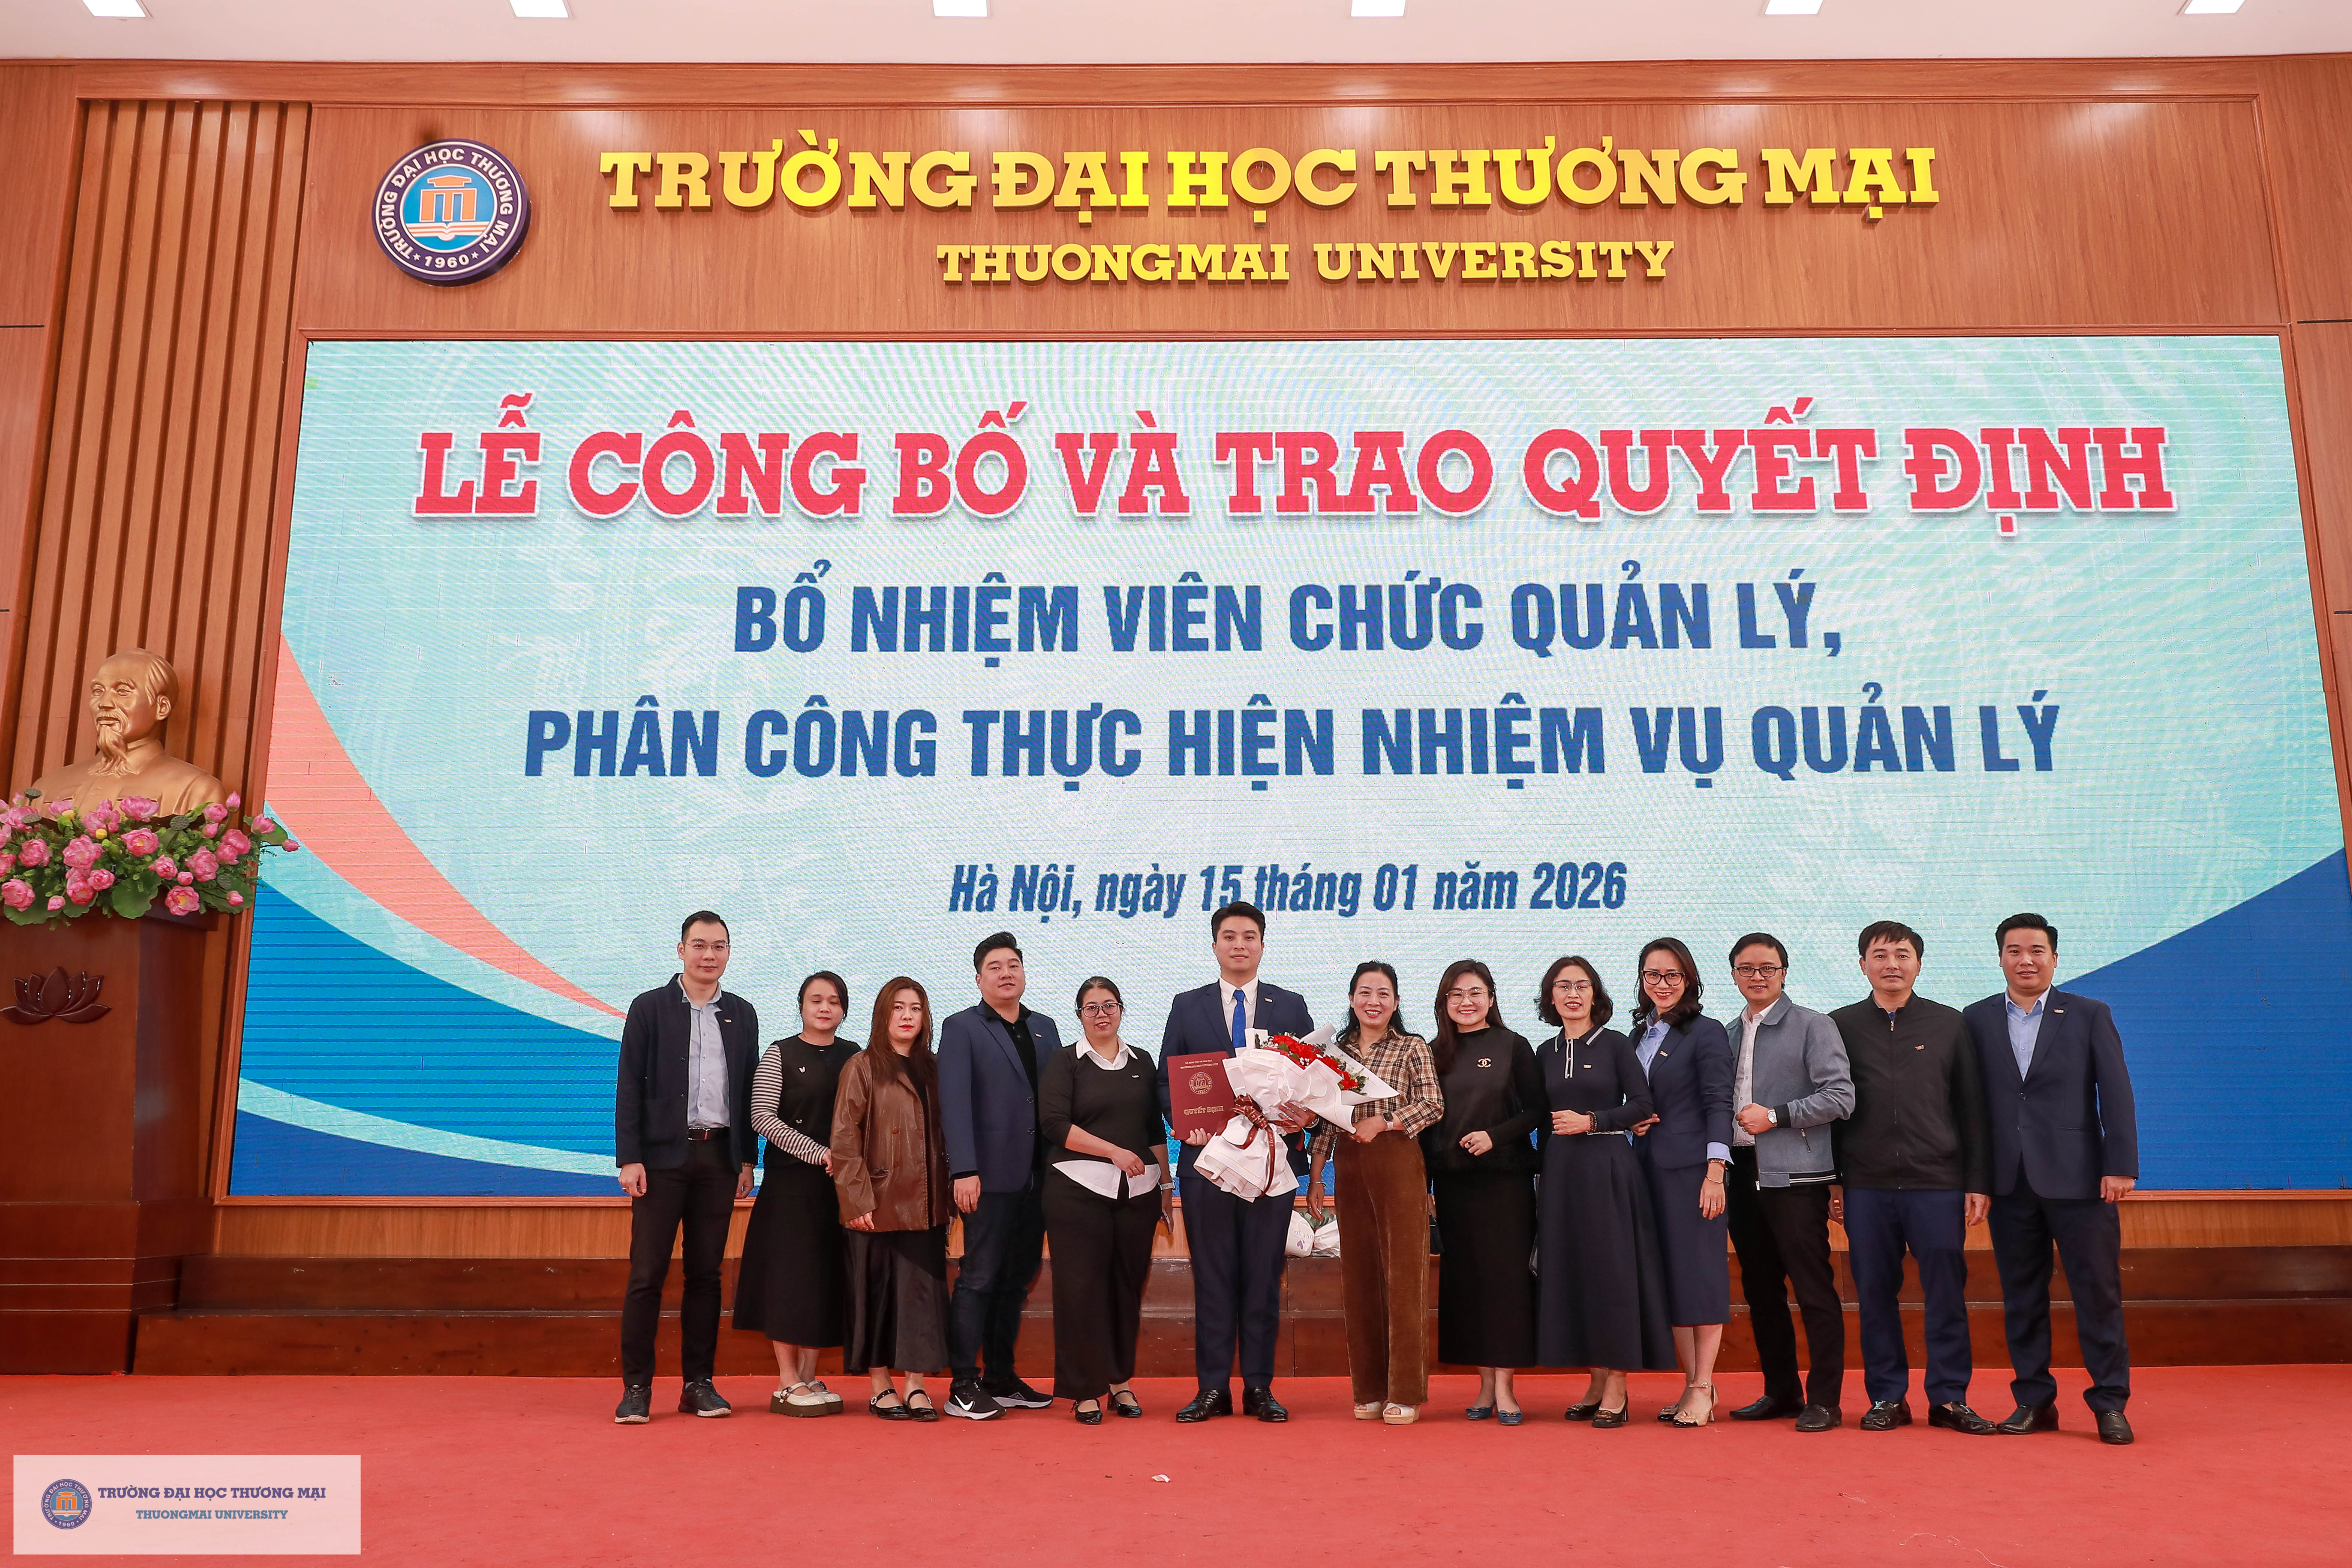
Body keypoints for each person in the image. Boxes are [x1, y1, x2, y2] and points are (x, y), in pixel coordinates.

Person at [1960, 914, 2140, 1446]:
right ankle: (2034, 1400)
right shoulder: (1975, 1018)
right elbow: (1971, 1107)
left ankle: (2110, 1401)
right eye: (2014, 951)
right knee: (2022, 1297)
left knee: (2097, 1293)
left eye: (2036, 950)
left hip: (2081, 1180)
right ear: (2000, 958)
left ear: (2054, 958)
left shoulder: (2088, 1013)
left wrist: (2120, 1163)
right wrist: (1976, 1177)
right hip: (2009, 1181)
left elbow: (2116, 1090)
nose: (2026, 960)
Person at [1830, 921, 1998, 1436]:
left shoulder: (1949, 1024)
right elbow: (1831, 1110)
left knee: (1946, 1293)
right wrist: (1833, 1182)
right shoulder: (1838, 1025)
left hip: (1937, 1182)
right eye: (1880, 955)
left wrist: (1977, 1179)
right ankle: (1887, 1396)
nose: (1892, 964)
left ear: (1918, 964)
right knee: (1874, 1294)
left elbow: (1972, 1108)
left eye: (1902, 954)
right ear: (1862, 964)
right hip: (1865, 1184)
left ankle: (1949, 1397)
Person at [1156, 900, 1317, 1424]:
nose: (1239, 944)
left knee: (1263, 1276)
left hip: (1271, 1165)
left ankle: (1259, 1387)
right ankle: (1212, 1388)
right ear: (1215, 945)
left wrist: (1303, 1116)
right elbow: (1167, 1081)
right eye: (1229, 936)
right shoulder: (1187, 1006)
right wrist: (1184, 1123)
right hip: (1208, 1164)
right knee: (1213, 1277)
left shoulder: (1289, 1006)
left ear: (1262, 944)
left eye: (1249, 936)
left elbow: (1314, 1079)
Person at [613, 911, 759, 1424]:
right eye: (699, 945)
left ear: (728, 952)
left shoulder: (741, 1013)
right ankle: (636, 1388)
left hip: (718, 1158)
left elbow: (747, 1089)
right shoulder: (649, 1007)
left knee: (706, 1275)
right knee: (646, 1274)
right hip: (659, 1160)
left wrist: (747, 1159)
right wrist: (629, 1156)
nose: (709, 955)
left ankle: (698, 1384)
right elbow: (629, 1083)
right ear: (681, 950)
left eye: (719, 946)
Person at [1532, 955, 1675, 1425]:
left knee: (1612, 1277)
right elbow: (1536, 1117)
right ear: (1550, 997)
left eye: (1582, 985)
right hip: (1560, 1175)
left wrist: (1592, 1120)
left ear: (1595, 994)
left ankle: (1617, 1386)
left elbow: (1642, 1104)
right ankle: (1595, 1381)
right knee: (1574, 1274)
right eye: (1563, 986)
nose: (1572, 994)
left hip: (1608, 1168)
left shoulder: (1615, 1044)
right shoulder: (1545, 1051)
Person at [1721, 933, 1855, 1432]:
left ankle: (1825, 1399)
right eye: (1746, 968)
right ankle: (1780, 1390)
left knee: (1813, 1287)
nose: (1757, 976)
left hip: (1797, 1176)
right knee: (1760, 1289)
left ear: (1783, 972)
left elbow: (1840, 1096)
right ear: (1733, 974)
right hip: (1741, 1173)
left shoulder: (1813, 1025)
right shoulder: (1728, 1032)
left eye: (1767, 967)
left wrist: (1776, 1115)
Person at [1305, 961, 1443, 1424]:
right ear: (1351, 999)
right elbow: (1328, 1119)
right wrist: (1317, 1178)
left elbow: (1433, 1104)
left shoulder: (1412, 1046)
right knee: (1359, 1277)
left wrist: (1385, 1122)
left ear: (1396, 1002)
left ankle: (1404, 1391)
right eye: (1365, 992)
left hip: (1397, 1159)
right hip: (1348, 1166)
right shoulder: (1335, 1052)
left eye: (1383, 993)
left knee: (1403, 1278)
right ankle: (1368, 1388)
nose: (1374, 1001)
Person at [936, 933, 1061, 1420]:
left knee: (1016, 1280)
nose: (1006, 973)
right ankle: (962, 1384)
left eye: (1013, 964)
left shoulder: (1044, 1027)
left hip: (1039, 1178)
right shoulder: (962, 1027)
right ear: (978, 978)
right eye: (995, 966)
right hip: (986, 1177)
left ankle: (1001, 1377)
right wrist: (964, 1169)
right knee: (979, 1277)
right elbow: (954, 1103)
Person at [1420, 958, 1543, 1424]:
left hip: (1504, 1184)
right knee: (1468, 1284)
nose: (1465, 1002)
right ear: (1443, 1002)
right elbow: (1425, 1125)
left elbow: (1536, 1111)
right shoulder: (1432, 1051)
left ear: (1491, 998)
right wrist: (1426, 1187)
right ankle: (1485, 1385)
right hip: (1454, 1186)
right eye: (1455, 994)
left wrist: (1495, 1136)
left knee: (1505, 1283)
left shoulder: (1514, 1045)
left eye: (1475, 992)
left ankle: (1506, 1387)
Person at [1038, 976, 1166, 1424]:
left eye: (1109, 1005)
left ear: (1121, 1009)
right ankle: (1085, 1390)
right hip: (1077, 1190)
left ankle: (1118, 1381)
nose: (1101, 1014)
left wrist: (1166, 1188)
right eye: (1091, 1007)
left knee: (1125, 1290)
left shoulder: (1143, 1061)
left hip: (1138, 1193)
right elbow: (1054, 1124)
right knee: (1081, 1291)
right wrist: (1112, 1151)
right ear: (1079, 1015)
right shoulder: (1064, 1062)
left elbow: (1154, 1130)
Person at [733, 971, 858, 1416]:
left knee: (823, 1278)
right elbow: (762, 1117)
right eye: (816, 1000)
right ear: (802, 1006)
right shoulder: (780, 1053)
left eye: (834, 1001)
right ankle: (787, 1380)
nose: (825, 1008)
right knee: (787, 1281)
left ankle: (807, 1375)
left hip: (838, 1187)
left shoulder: (855, 1056)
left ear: (844, 1010)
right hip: (791, 1186)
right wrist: (818, 1152)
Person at [832, 977, 956, 1421]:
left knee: (920, 1299)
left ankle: (916, 1385)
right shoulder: (861, 1066)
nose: (907, 1016)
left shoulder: (936, 1068)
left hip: (926, 1205)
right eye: (898, 1007)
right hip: (877, 1203)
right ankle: (881, 1385)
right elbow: (844, 1138)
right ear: (883, 1014)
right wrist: (856, 1199)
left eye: (916, 1008)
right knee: (877, 1298)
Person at [1626, 937, 1736, 1427]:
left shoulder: (1705, 1031)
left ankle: (1703, 1385)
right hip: (1647, 1171)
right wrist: (1631, 1120)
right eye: (1653, 975)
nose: (1662, 983)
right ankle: (1693, 1384)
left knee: (1700, 1278)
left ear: (1688, 979)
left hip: (1694, 1173)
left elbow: (1718, 1102)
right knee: (1670, 1280)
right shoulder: (1637, 1034)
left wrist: (1716, 1171)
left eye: (1672, 975)